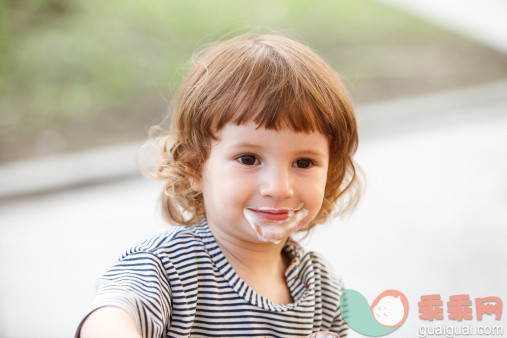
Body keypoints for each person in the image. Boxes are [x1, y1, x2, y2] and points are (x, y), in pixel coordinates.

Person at [77, 33, 362, 338]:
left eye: (303, 163)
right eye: (249, 159)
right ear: (195, 167)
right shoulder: (168, 267)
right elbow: (109, 318)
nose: (279, 188)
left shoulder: (323, 288)